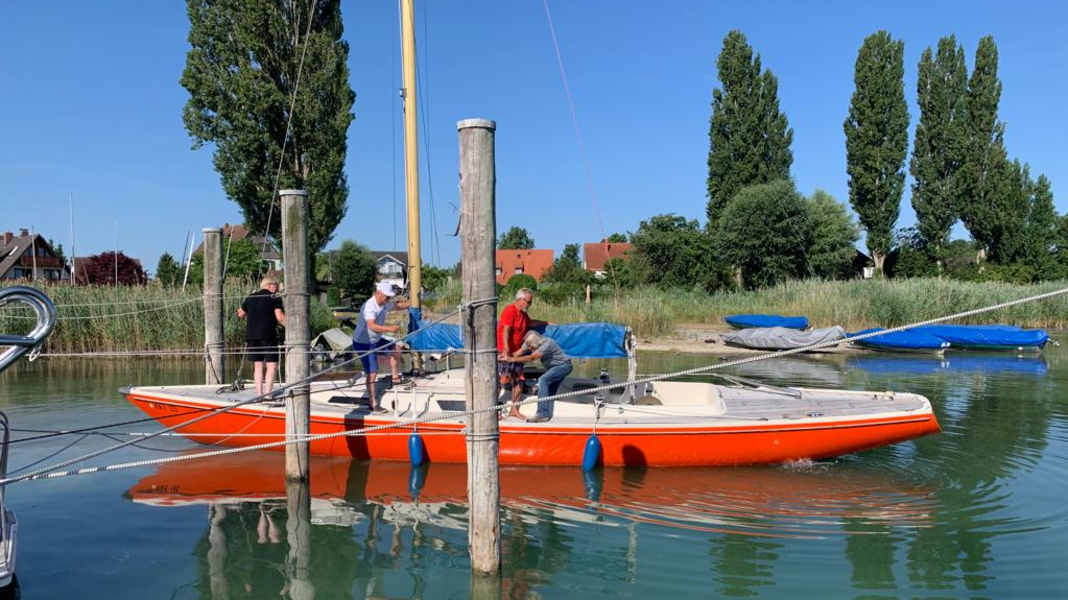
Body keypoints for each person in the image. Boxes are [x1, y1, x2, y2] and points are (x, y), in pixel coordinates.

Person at [352, 281, 410, 412]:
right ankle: (373, 403)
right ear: (379, 293)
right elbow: (371, 326)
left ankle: (395, 378)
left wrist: (413, 303)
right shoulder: (369, 307)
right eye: (387, 297)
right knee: (372, 372)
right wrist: (389, 328)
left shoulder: (384, 303)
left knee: (395, 348)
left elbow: (396, 306)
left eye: (389, 297)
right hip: (364, 344)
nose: (388, 299)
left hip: (376, 339)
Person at [496, 287, 548, 419]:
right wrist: (506, 349)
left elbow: (532, 323)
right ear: (520, 299)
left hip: (517, 355)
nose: (529, 305)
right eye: (528, 302)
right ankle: (493, 410)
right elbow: (505, 330)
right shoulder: (510, 311)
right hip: (505, 352)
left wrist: (546, 323)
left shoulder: (523, 315)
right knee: (502, 380)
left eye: (530, 302)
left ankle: (514, 410)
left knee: (519, 382)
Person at [505, 330, 573, 422]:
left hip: (564, 366)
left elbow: (532, 357)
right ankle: (548, 415)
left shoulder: (547, 344)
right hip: (552, 368)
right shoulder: (529, 342)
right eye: (528, 345)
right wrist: (504, 357)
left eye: (531, 346)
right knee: (550, 390)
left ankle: (542, 413)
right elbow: (517, 353)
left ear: (537, 342)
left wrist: (512, 360)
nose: (529, 348)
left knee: (543, 380)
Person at [237, 276, 286, 398]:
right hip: (268, 335)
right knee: (271, 365)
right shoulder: (274, 297)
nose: (278, 289)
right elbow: (280, 317)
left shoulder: (250, 297)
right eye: (277, 286)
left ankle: (259, 394)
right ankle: (268, 394)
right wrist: (293, 327)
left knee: (258, 365)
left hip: (252, 336)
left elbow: (240, 314)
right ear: (271, 285)